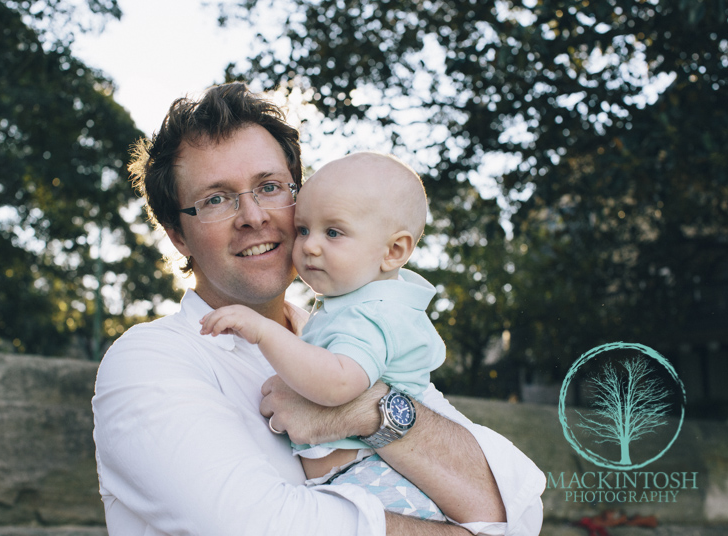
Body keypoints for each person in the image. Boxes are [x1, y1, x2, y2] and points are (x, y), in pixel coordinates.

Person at [92, 82, 545, 536]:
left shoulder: (350, 327)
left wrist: (367, 409)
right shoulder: (148, 361)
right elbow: (257, 527)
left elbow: (514, 506)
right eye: (216, 199)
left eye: (270, 187)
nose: (253, 216)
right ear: (176, 235)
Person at [199, 151, 449, 520]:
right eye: (303, 230)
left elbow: (338, 383)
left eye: (333, 232)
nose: (310, 246)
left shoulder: (373, 313)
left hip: (378, 480)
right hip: (357, 477)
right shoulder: (354, 304)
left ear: (393, 251)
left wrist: (265, 332)